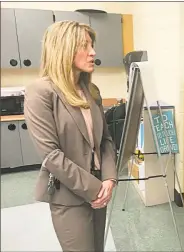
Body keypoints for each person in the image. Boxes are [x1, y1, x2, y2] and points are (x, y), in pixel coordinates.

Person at [24, 21, 117, 252]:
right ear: (64, 48)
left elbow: (105, 139)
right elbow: (51, 156)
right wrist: (94, 188)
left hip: (99, 187)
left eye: (92, 44)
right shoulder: (40, 91)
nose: (93, 52)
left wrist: (109, 179)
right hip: (69, 195)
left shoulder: (91, 91)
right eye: (85, 45)